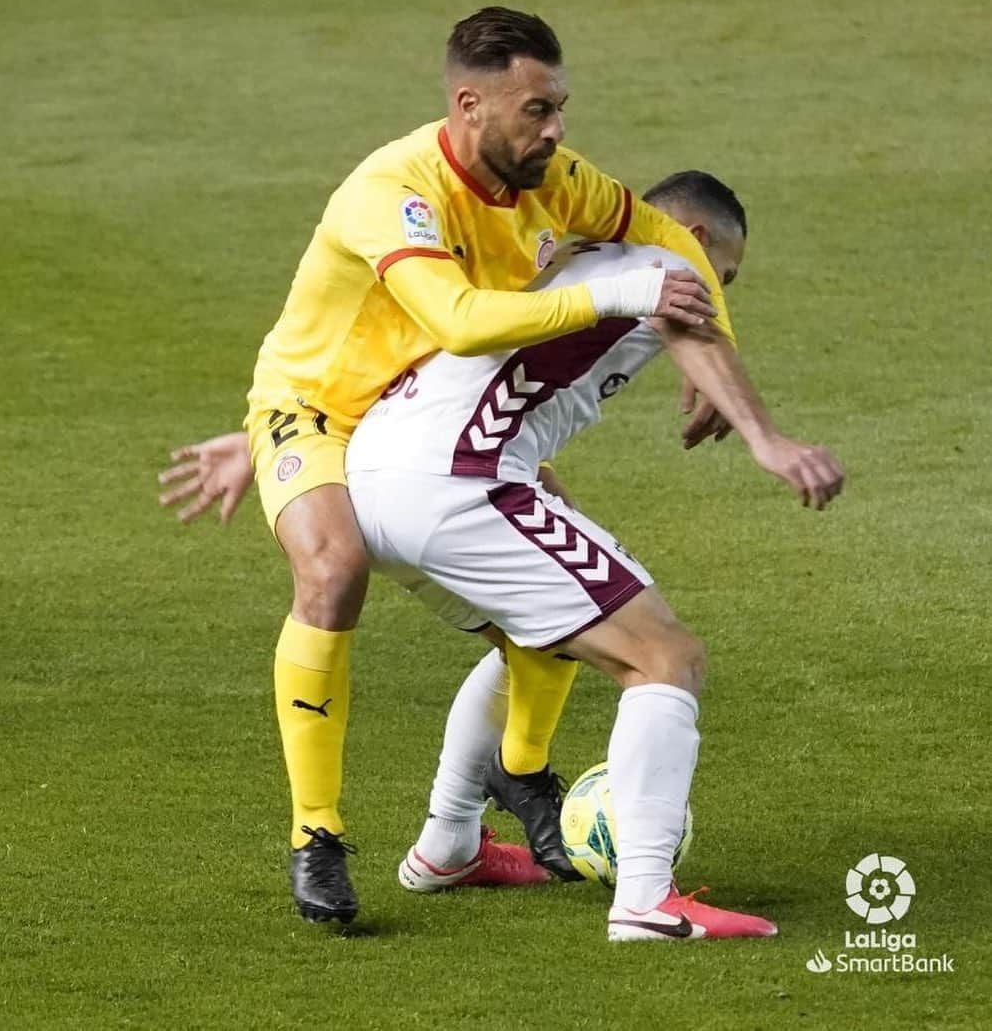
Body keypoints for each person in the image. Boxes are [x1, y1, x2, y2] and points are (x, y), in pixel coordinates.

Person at [161, 6, 732, 925]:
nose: (556, 129)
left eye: (560, 108)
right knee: (334, 567)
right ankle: (317, 833)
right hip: (312, 412)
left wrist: (719, 362)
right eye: (536, 109)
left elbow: (678, 242)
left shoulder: (547, 181)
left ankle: (513, 775)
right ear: (470, 103)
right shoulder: (395, 189)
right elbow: (463, 322)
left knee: (543, 561)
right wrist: (263, 441)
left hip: (418, 419)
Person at [340, 171, 844, 939]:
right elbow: (687, 313)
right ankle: (646, 899)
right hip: (456, 482)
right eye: (725, 276)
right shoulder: (661, 266)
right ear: (697, 240)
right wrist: (766, 439)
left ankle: (449, 842)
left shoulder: (580, 257)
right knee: (666, 656)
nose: (719, 293)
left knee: (531, 642)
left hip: (376, 477)